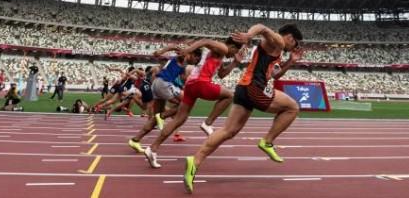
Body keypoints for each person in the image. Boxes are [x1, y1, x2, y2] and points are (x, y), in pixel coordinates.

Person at [183, 24, 303, 193]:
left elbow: (276, 75)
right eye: (295, 44)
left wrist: (291, 61)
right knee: (292, 107)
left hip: (243, 89)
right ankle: (267, 141)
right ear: (290, 37)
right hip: (254, 88)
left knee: (228, 131)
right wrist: (249, 35)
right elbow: (262, 28)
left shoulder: (277, 50)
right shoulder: (279, 41)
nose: (295, 47)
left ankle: (195, 161)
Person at [144, 37, 245, 168]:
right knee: (231, 95)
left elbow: (221, 75)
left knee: (178, 120)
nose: (234, 55)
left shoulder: (220, 54)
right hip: (200, 82)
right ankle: (207, 123)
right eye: (236, 52)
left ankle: (152, 149)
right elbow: (205, 41)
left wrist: (235, 63)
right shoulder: (223, 47)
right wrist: (188, 49)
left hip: (191, 85)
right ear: (233, 47)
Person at [127, 44, 201, 154]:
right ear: (193, 54)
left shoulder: (183, 63)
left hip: (157, 84)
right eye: (196, 59)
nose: (196, 62)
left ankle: (135, 140)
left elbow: (181, 77)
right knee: (185, 104)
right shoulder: (185, 55)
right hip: (163, 83)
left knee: (155, 120)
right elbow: (174, 47)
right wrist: (161, 52)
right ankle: (163, 116)